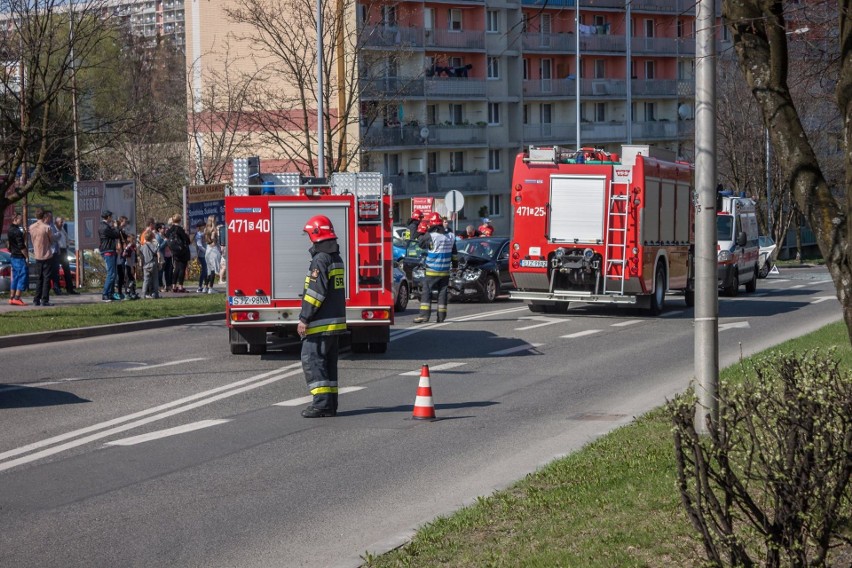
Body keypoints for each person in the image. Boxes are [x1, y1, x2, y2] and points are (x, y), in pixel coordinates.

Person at [297, 214, 347, 418]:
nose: (309, 237)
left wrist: (304, 318)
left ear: (316, 235)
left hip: (319, 323)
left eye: (309, 233)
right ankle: (330, 404)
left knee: (312, 360)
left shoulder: (320, 259)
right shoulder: (336, 257)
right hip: (334, 322)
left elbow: (315, 293)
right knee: (328, 364)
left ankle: (321, 404)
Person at [414, 211, 458, 324]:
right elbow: (455, 254)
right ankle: (441, 317)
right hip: (445, 271)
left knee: (426, 292)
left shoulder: (431, 236)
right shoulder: (451, 236)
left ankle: (424, 316)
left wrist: (421, 230)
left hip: (432, 270)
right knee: (442, 293)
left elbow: (420, 243)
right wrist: (455, 266)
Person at [29, 209, 55, 306]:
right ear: (44, 216)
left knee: (39, 278)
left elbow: (32, 240)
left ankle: (36, 299)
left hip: (37, 255)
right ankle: (45, 299)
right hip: (46, 255)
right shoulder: (47, 227)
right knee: (46, 278)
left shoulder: (31, 227)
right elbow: (51, 239)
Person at [99, 210, 122, 302]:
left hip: (110, 250)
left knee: (113, 274)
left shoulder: (105, 226)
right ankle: (105, 294)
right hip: (108, 251)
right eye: (111, 217)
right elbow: (116, 235)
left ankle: (110, 293)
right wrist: (116, 227)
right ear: (108, 217)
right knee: (111, 274)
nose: (112, 218)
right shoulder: (104, 227)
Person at [6, 213, 28, 306]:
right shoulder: (17, 231)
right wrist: (27, 256)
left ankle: (12, 297)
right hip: (19, 257)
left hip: (13, 256)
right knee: (22, 276)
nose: (21, 221)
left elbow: (15, 242)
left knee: (15, 277)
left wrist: (25, 234)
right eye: (20, 219)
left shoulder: (10, 229)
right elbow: (21, 246)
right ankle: (17, 297)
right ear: (15, 219)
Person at [166, 215, 191, 292]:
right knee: (182, 268)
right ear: (180, 220)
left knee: (176, 268)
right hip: (182, 251)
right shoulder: (180, 229)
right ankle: (180, 286)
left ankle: (173, 286)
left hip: (174, 251)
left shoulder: (170, 230)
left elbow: (167, 238)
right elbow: (187, 240)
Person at [53, 215, 78, 294]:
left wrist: (67, 245)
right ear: (56, 223)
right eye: (60, 222)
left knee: (67, 270)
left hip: (64, 251)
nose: (62, 223)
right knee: (56, 271)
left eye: (62, 222)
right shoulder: (54, 230)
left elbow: (66, 238)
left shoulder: (63, 230)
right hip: (57, 251)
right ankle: (57, 289)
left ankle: (70, 289)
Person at [139, 228, 160, 299]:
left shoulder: (142, 247)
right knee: (155, 279)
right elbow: (156, 251)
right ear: (152, 238)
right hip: (153, 263)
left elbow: (140, 254)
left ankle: (143, 294)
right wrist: (157, 244)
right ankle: (155, 294)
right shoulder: (153, 245)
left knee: (146, 280)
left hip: (145, 264)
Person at [203, 216, 221, 294]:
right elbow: (214, 239)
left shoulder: (205, 229)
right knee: (213, 269)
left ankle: (205, 287)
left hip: (207, 249)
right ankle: (211, 288)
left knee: (209, 269)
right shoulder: (214, 230)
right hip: (213, 250)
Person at [194, 220, 208, 293]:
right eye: (203, 225)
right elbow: (199, 245)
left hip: (206, 254)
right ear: (200, 227)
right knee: (204, 270)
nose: (204, 226)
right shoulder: (198, 235)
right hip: (202, 254)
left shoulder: (204, 233)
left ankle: (206, 285)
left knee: (206, 270)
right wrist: (206, 251)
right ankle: (200, 286)